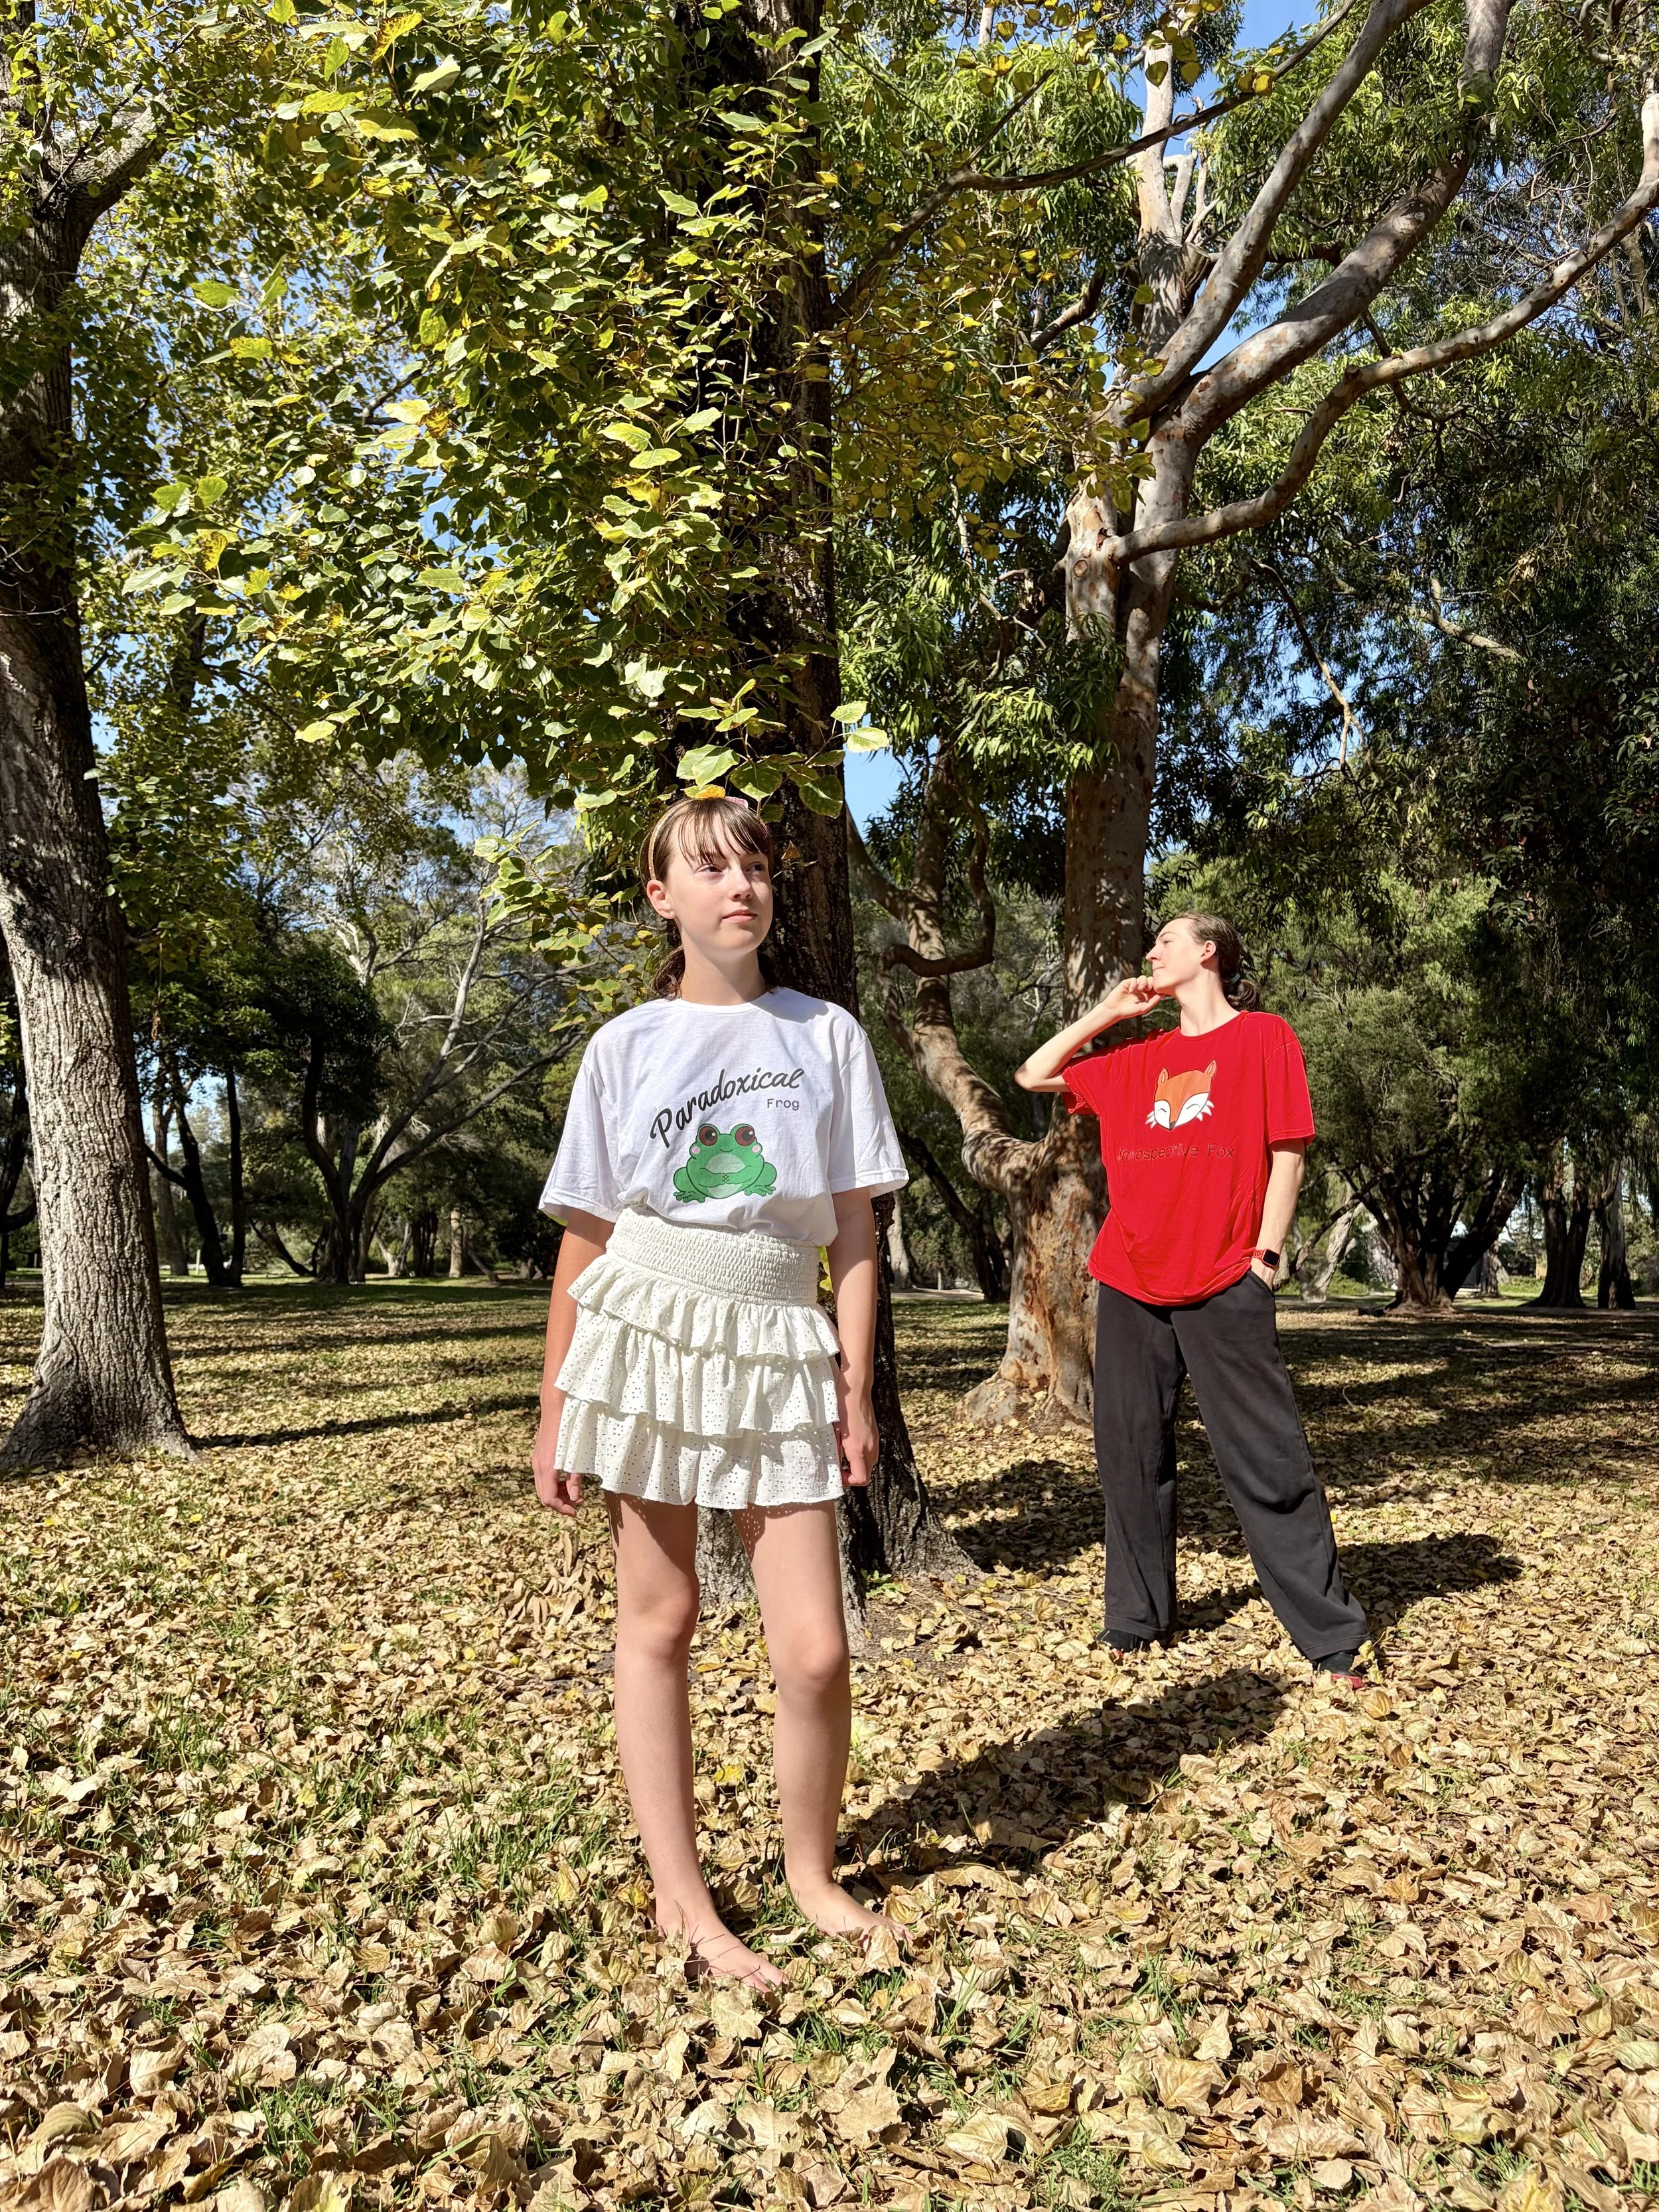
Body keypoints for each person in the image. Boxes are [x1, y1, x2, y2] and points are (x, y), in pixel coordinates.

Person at [530, 794, 909, 1986]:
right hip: (648, 1330)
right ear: (664, 897)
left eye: (753, 864)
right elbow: (586, 1240)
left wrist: (852, 1384)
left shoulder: (827, 1035)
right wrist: (556, 1406)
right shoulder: (625, 1046)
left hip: (775, 1334)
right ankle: (683, 1899)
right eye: (707, 868)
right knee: (662, 1618)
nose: (737, 884)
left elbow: (852, 1229)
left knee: (813, 1650)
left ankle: (809, 1869)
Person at [1014, 911, 1369, 1684]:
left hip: (1225, 1278)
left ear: (1207, 953)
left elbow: (1288, 1153)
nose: (1151, 952)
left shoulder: (1263, 1038)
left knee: (1267, 1458)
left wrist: (1265, 1258)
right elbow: (1033, 1074)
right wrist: (1109, 1012)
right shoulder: (1138, 1060)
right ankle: (1138, 1617)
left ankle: (1329, 1633)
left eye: (1165, 941)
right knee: (1130, 1455)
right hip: (1131, 1281)